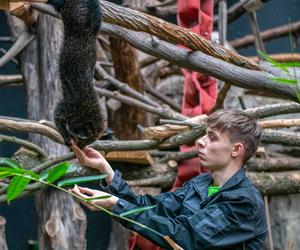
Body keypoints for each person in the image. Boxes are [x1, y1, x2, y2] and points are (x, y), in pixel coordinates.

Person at [70, 109, 267, 250]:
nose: (200, 141)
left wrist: (116, 204)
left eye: (212, 137)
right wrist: (106, 171)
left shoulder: (243, 202)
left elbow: (185, 237)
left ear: (236, 149)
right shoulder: (201, 184)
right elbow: (149, 208)